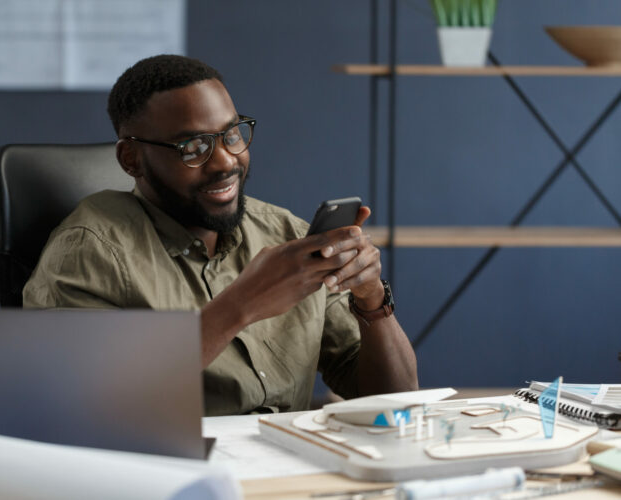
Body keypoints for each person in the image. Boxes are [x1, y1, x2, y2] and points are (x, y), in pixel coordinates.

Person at [23, 55, 418, 416]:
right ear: (131, 159)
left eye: (231, 134)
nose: (226, 161)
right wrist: (241, 306)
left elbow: (392, 400)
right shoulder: (89, 250)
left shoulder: (286, 233)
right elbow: (77, 402)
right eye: (193, 147)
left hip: (287, 472)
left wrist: (372, 300)